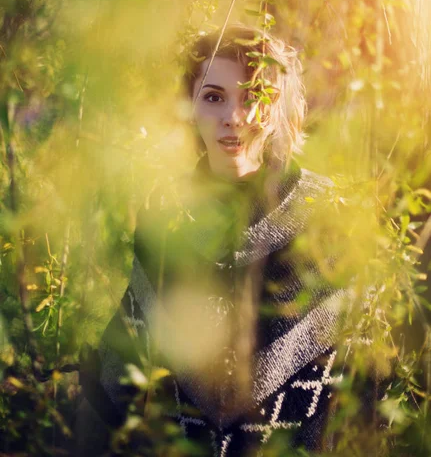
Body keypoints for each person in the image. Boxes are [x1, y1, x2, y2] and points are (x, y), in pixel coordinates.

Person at [76, 24, 347, 456]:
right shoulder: (165, 214)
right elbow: (128, 349)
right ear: (190, 107)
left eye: (253, 96)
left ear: (276, 108)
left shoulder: (325, 212)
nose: (234, 117)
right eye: (214, 97)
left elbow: (362, 366)